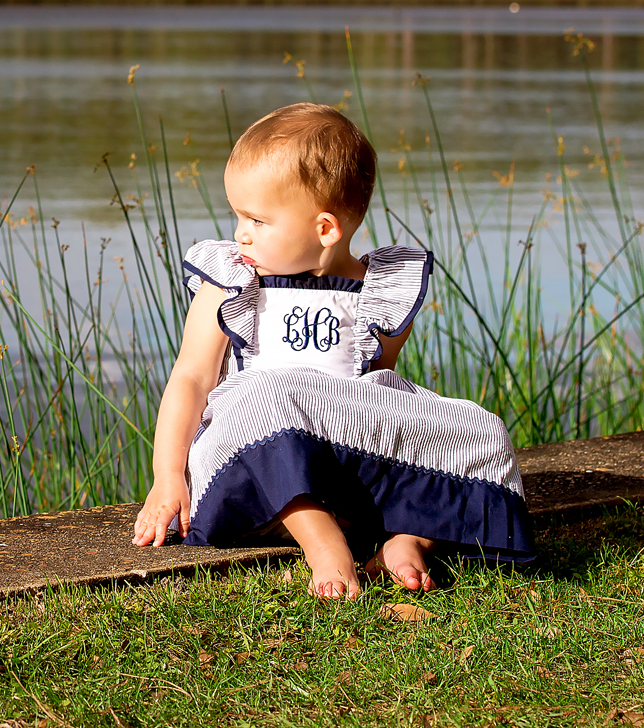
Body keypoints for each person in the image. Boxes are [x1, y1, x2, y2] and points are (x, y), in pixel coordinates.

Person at [131, 102, 532, 599]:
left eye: (257, 219)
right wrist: (168, 476)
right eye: (238, 215)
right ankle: (320, 540)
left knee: (482, 433)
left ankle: (407, 539)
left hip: (343, 453)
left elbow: (377, 395)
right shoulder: (233, 280)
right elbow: (191, 378)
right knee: (266, 395)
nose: (241, 232)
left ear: (325, 229)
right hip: (254, 455)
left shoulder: (379, 290)